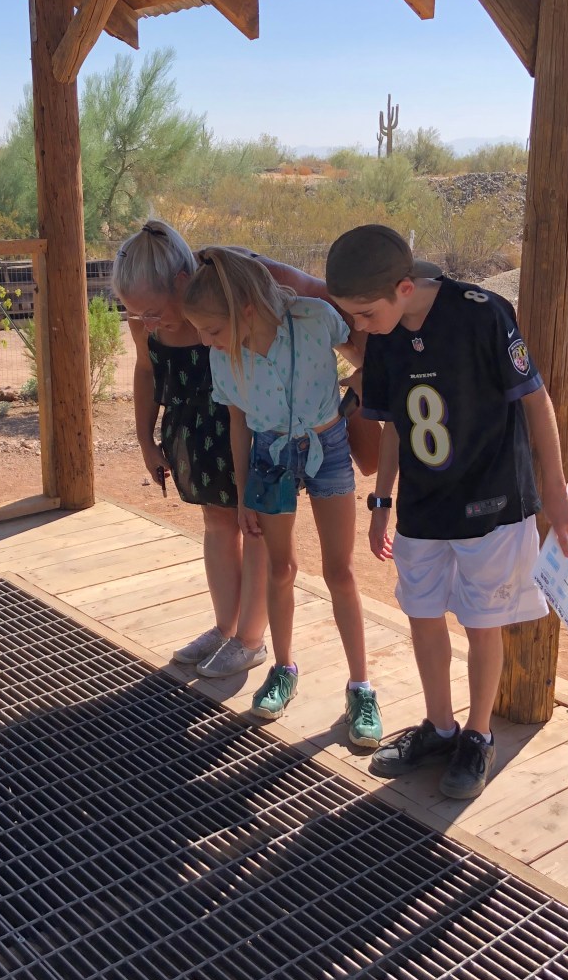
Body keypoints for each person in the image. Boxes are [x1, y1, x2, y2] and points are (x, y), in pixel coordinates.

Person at [325, 224, 568, 798]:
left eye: (366, 314)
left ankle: (479, 735)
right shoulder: (384, 335)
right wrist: (381, 501)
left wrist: (557, 491)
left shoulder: (483, 313)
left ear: (404, 287)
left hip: (491, 502)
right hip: (423, 505)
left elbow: (536, 400)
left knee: (481, 620)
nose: (360, 328)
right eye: (353, 318)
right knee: (421, 612)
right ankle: (439, 727)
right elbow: (389, 425)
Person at [112, 221, 380, 680]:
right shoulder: (150, 320)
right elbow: (147, 370)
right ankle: (225, 628)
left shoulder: (241, 280)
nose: (146, 324)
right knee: (217, 521)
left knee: (258, 528)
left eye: (152, 312)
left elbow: (333, 307)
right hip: (199, 427)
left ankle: (252, 639)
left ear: (183, 282)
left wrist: (367, 380)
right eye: (137, 316)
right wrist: (144, 437)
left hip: (263, 428)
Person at [181, 246, 382, 747]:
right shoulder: (222, 358)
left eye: (210, 329)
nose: (204, 340)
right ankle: (283, 668)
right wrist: (245, 490)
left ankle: (361, 687)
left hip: (329, 444)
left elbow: (361, 352)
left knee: (341, 571)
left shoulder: (314, 319)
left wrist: (364, 379)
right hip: (269, 457)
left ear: (244, 310)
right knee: (280, 569)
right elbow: (237, 423)